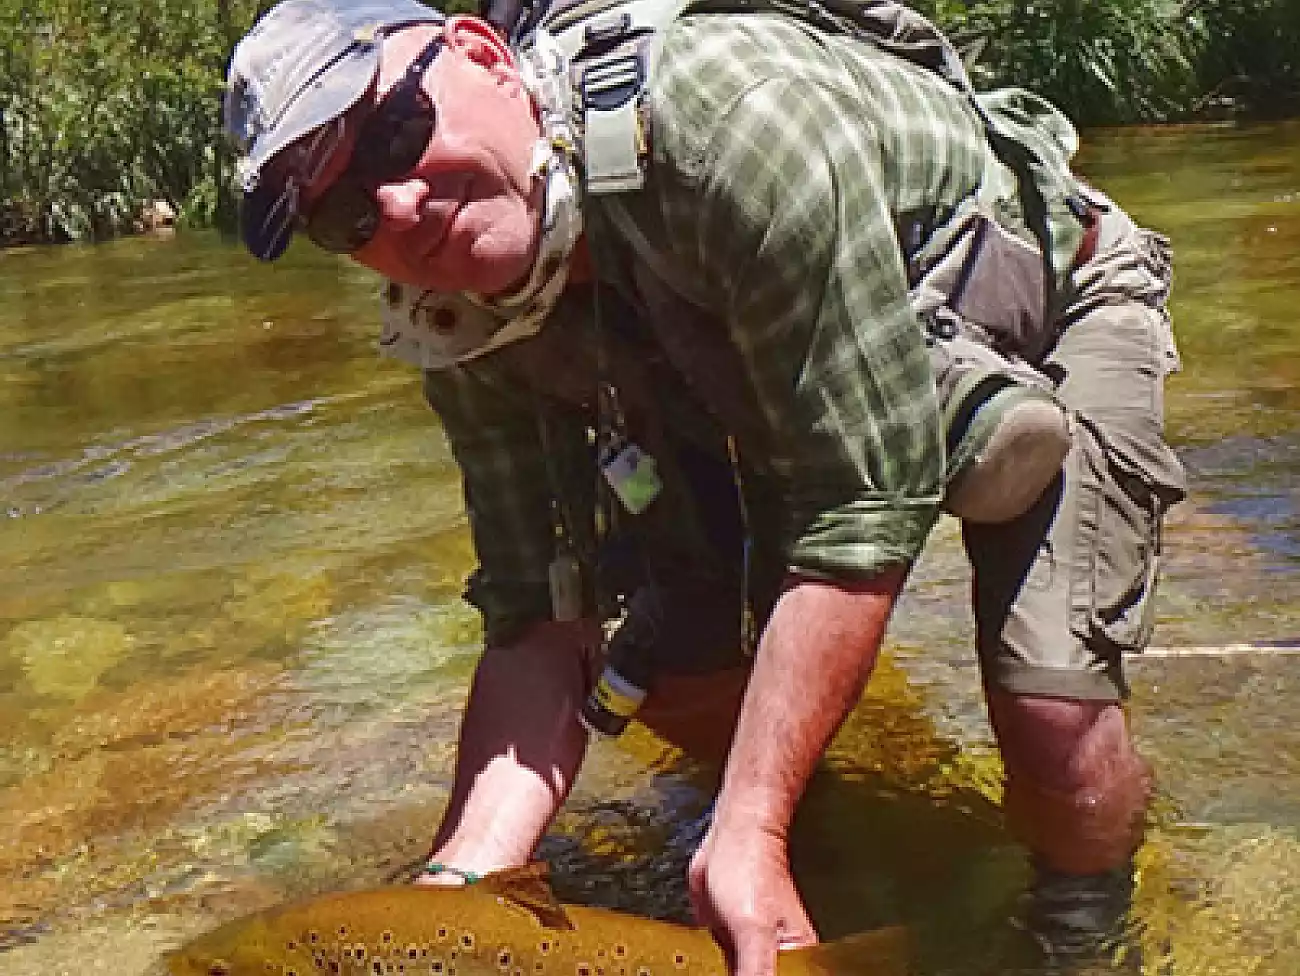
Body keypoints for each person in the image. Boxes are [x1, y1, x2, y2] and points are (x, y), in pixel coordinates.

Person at [222, 0, 1187, 971]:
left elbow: (859, 508)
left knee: (1052, 730)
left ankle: (1083, 932)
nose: (394, 205)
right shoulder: (460, 325)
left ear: (483, 56)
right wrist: (454, 893)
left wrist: (752, 823)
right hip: (777, 366)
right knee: (682, 691)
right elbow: (534, 619)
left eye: (395, 133)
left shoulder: (726, 124)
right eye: (343, 215)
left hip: (1050, 301)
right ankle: (838, 867)